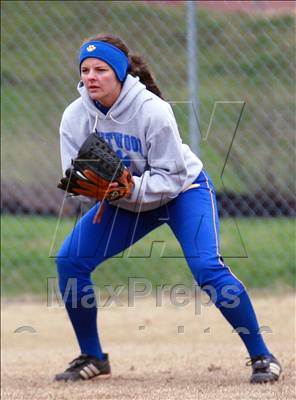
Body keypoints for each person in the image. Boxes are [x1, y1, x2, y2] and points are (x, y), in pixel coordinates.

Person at [54, 33, 282, 384]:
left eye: (101, 69)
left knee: (207, 268)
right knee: (69, 262)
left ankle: (262, 356)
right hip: (126, 200)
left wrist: (130, 187)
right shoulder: (75, 116)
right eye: (85, 69)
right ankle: (93, 357)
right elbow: (77, 177)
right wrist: (97, 188)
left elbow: (172, 176)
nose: (91, 77)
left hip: (182, 191)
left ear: (120, 74)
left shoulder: (152, 111)